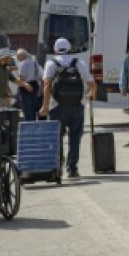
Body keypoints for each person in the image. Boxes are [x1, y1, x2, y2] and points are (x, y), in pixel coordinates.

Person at [40, 37, 96, 179]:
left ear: (55, 50)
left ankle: (57, 169)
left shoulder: (51, 63)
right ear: (69, 49)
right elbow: (92, 84)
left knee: (56, 139)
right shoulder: (79, 63)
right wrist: (90, 95)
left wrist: (45, 106)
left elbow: (47, 85)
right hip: (77, 106)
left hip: (57, 107)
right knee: (75, 138)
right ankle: (72, 169)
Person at [15, 49, 42, 121]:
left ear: (22, 56)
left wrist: (23, 84)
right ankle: (33, 122)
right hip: (35, 85)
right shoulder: (35, 62)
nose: (17, 58)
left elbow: (22, 78)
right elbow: (39, 76)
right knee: (33, 108)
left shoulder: (23, 63)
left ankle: (29, 125)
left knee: (27, 109)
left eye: (17, 56)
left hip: (26, 86)